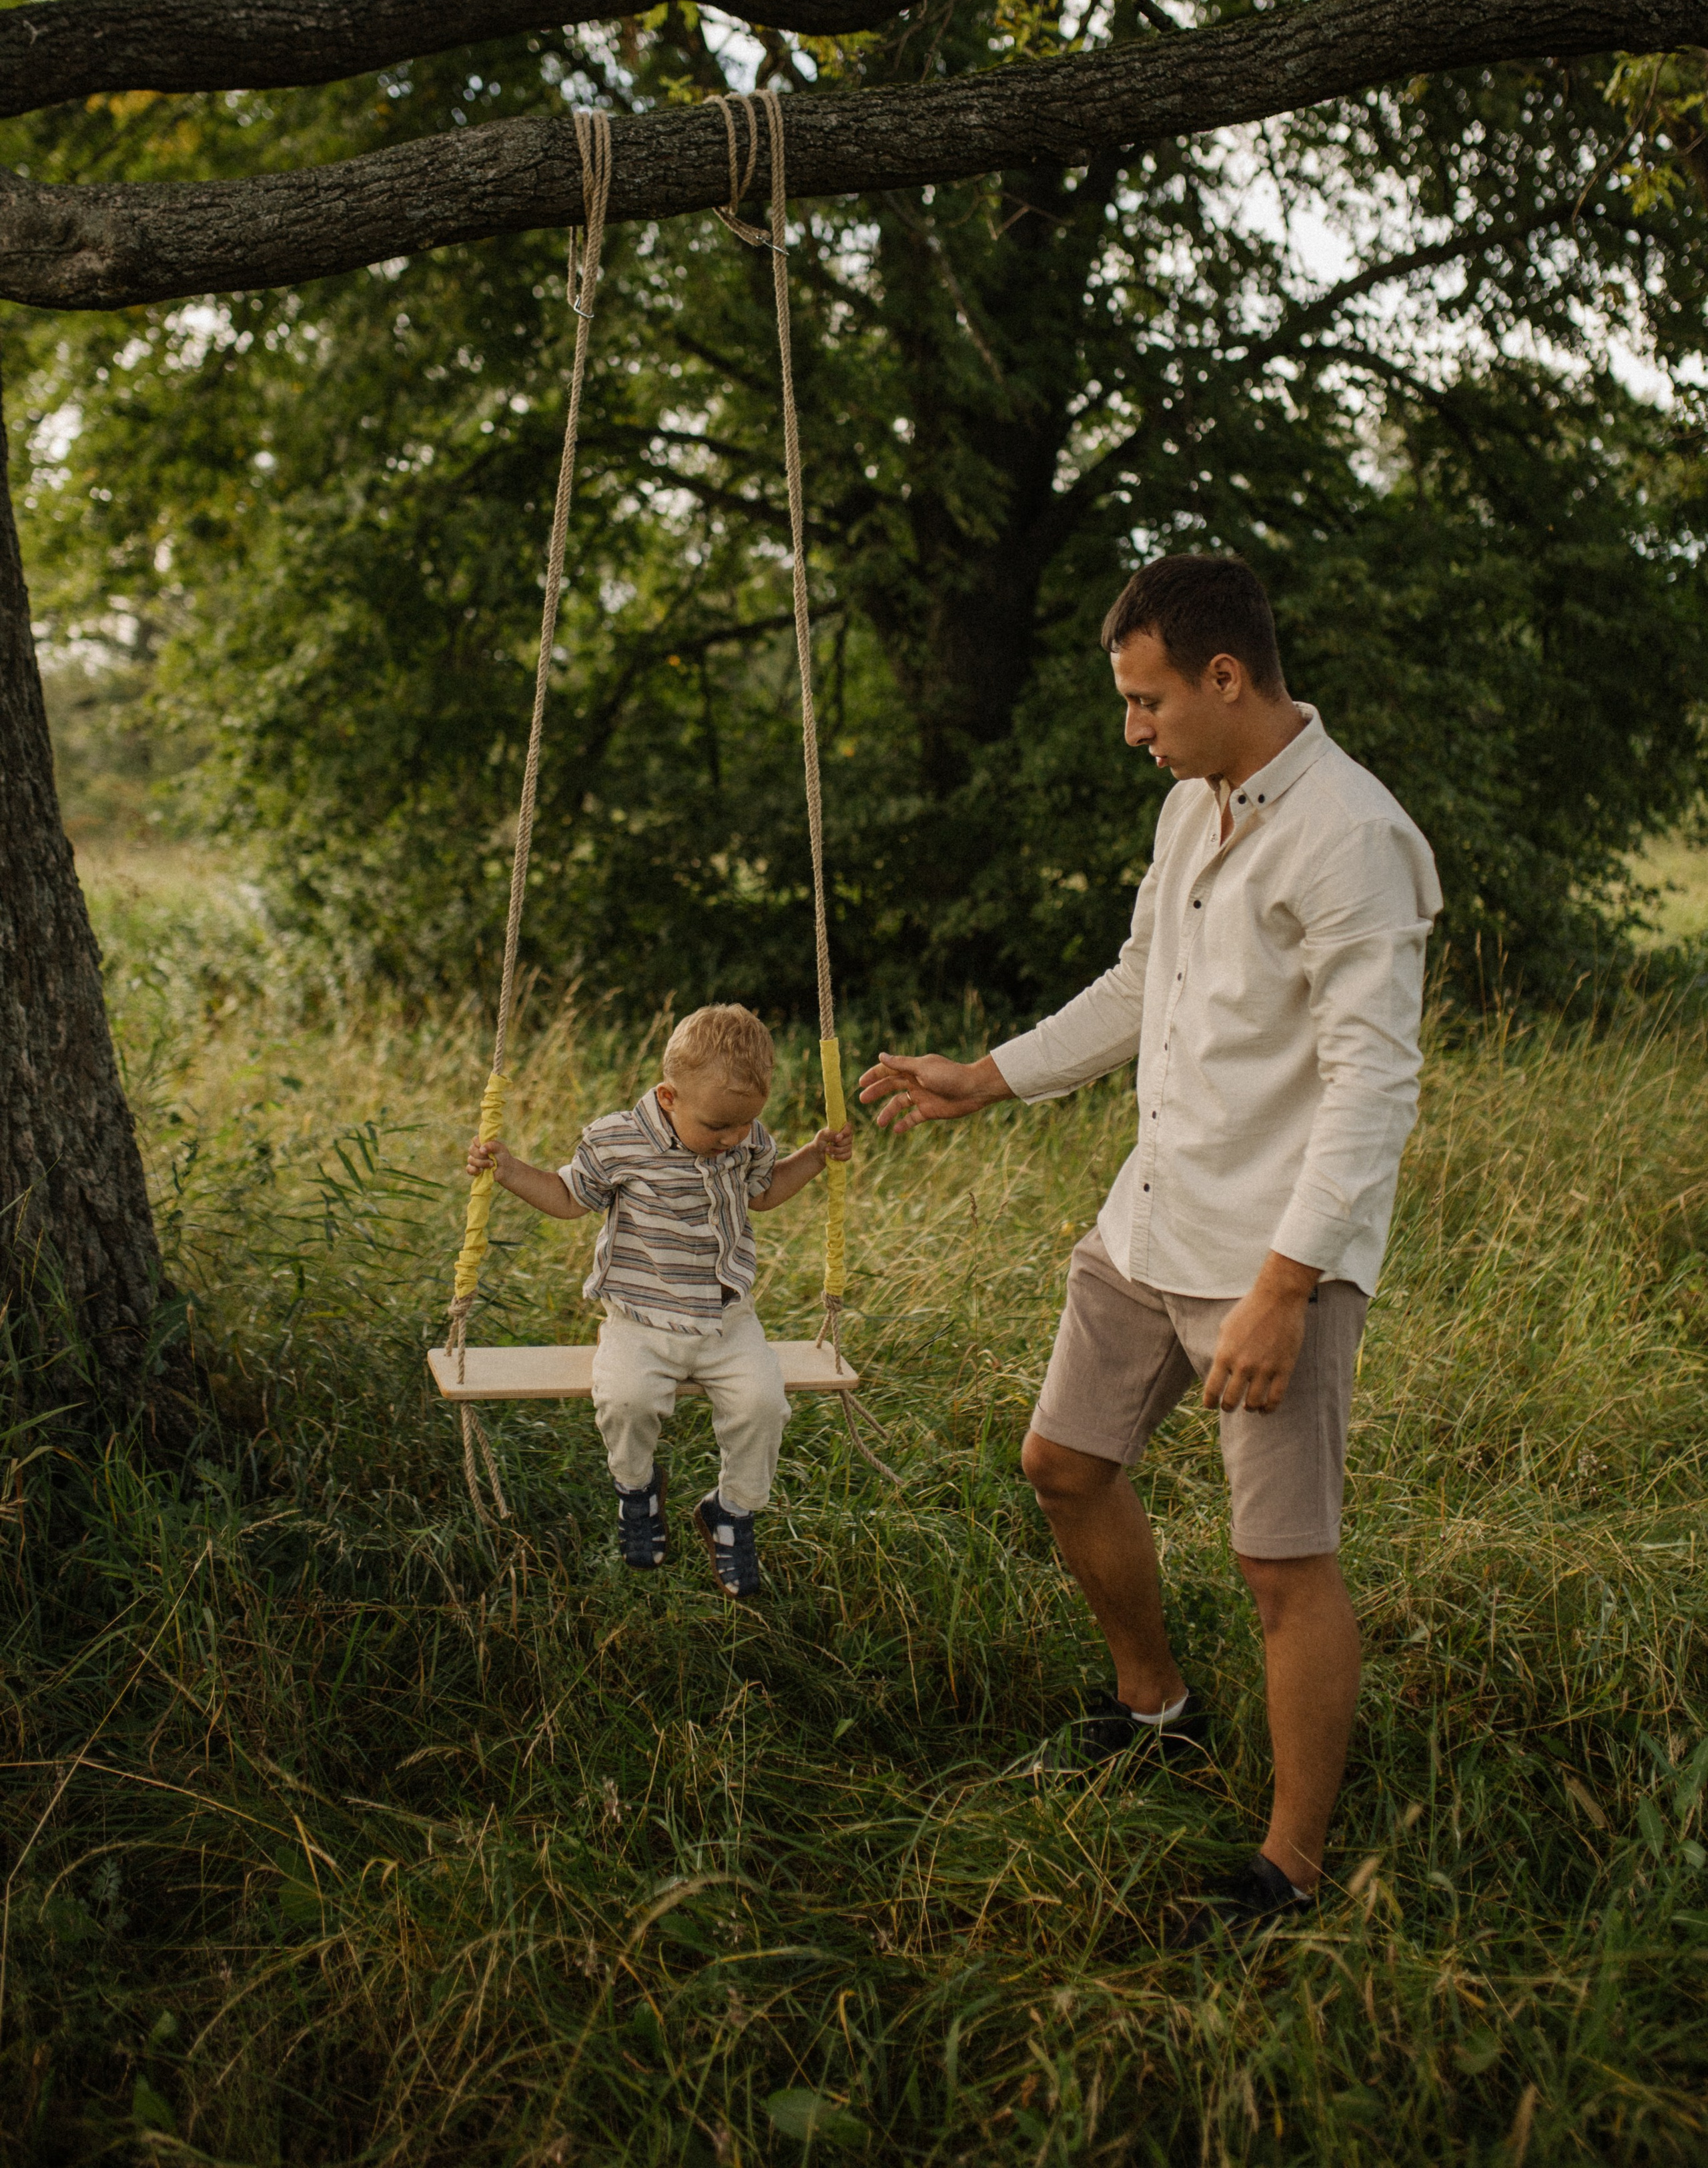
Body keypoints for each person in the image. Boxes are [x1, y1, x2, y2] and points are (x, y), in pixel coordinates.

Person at [859, 553, 1440, 1943]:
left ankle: (1288, 1870)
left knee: (1279, 1564)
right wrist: (983, 1076)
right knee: (1062, 1464)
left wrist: (1284, 1287)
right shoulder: (1194, 809)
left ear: (1223, 678)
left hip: (1268, 1258)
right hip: (1148, 1214)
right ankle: (1153, 1706)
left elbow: (1373, 1087)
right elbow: (1141, 984)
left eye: (1145, 700)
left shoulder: (1351, 839)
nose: (1133, 730)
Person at [467, 1002, 852, 1598]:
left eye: (743, 1126)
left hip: (727, 1319)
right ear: (668, 1098)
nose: (730, 1140)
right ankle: (638, 1491)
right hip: (639, 1319)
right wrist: (510, 1169)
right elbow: (570, 1198)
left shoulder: (745, 1140)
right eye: (717, 1127)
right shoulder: (616, 1139)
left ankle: (731, 1512)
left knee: (763, 1405)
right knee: (626, 1399)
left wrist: (814, 1156)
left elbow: (766, 1193)